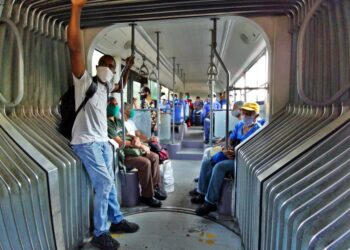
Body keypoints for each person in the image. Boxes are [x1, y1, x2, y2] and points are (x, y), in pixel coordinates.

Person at [68, 1, 138, 249]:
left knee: (108, 180)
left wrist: (127, 67)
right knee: (106, 183)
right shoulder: (85, 81)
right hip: (85, 142)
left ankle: (116, 219)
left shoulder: (107, 86)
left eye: (111, 66)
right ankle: (100, 232)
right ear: (97, 66)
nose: (107, 69)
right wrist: (76, 8)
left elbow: (119, 86)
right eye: (105, 64)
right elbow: (75, 49)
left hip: (102, 141)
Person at [190, 102, 262, 216]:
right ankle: (202, 191)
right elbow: (231, 140)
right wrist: (225, 149)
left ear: (256, 116)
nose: (246, 115)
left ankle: (210, 202)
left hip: (242, 159)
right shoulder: (240, 125)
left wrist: (234, 153)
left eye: (249, 113)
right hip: (230, 152)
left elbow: (253, 151)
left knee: (219, 167)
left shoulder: (257, 130)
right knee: (208, 160)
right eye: (245, 112)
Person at [106, 102, 165, 208]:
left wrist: (136, 139)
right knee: (145, 162)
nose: (115, 106)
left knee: (154, 157)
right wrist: (139, 145)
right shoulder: (107, 124)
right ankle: (147, 196)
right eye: (113, 104)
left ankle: (155, 187)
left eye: (116, 104)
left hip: (134, 149)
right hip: (125, 154)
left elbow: (128, 134)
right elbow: (119, 142)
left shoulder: (119, 122)